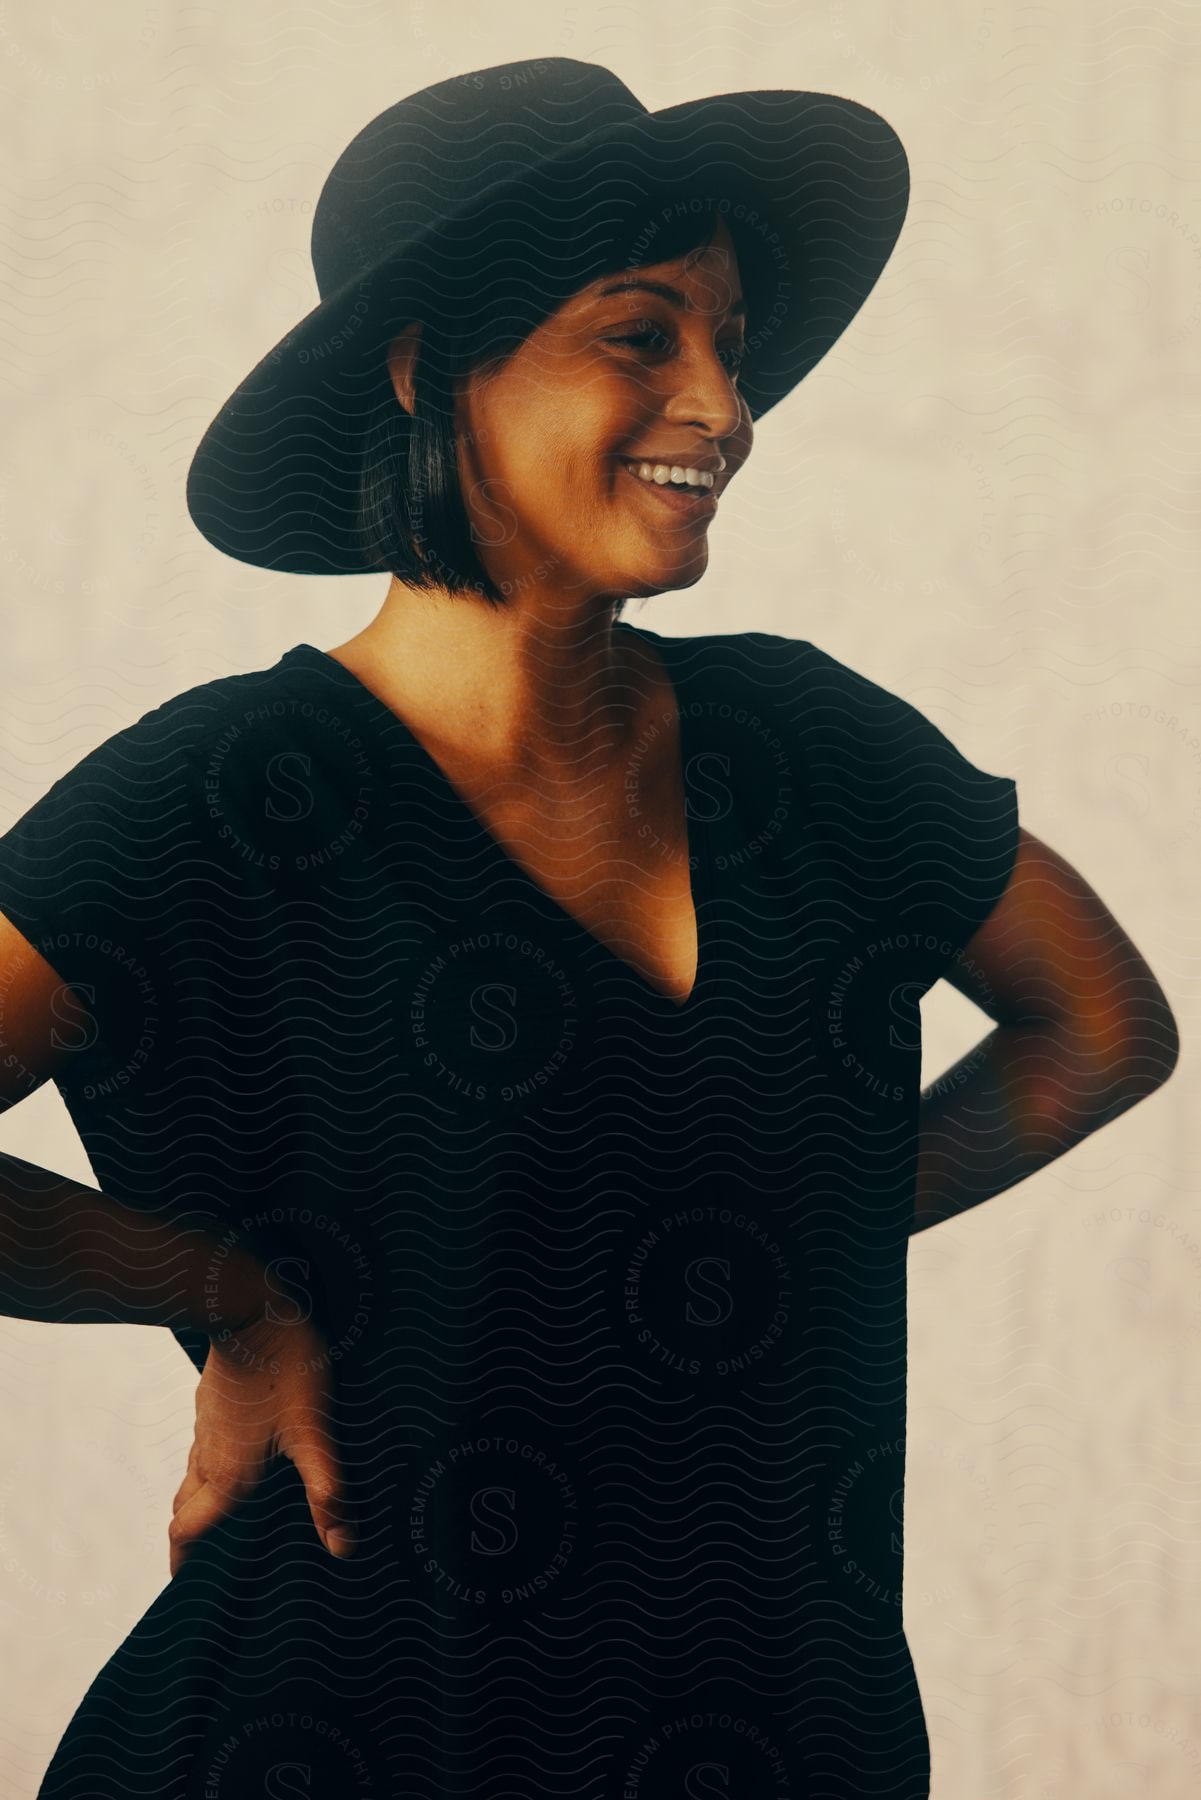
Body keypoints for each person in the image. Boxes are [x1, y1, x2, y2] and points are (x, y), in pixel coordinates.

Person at [0, 58, 1179, 1800]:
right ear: (426, 369)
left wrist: (781, 1225)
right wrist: (224, 1294)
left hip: (778, 1718)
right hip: (331, 1735)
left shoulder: (811, 751)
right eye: (641, 333)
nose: (725, 402)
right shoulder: (218, 797)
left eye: (730, 336)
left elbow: (1103, 1029)